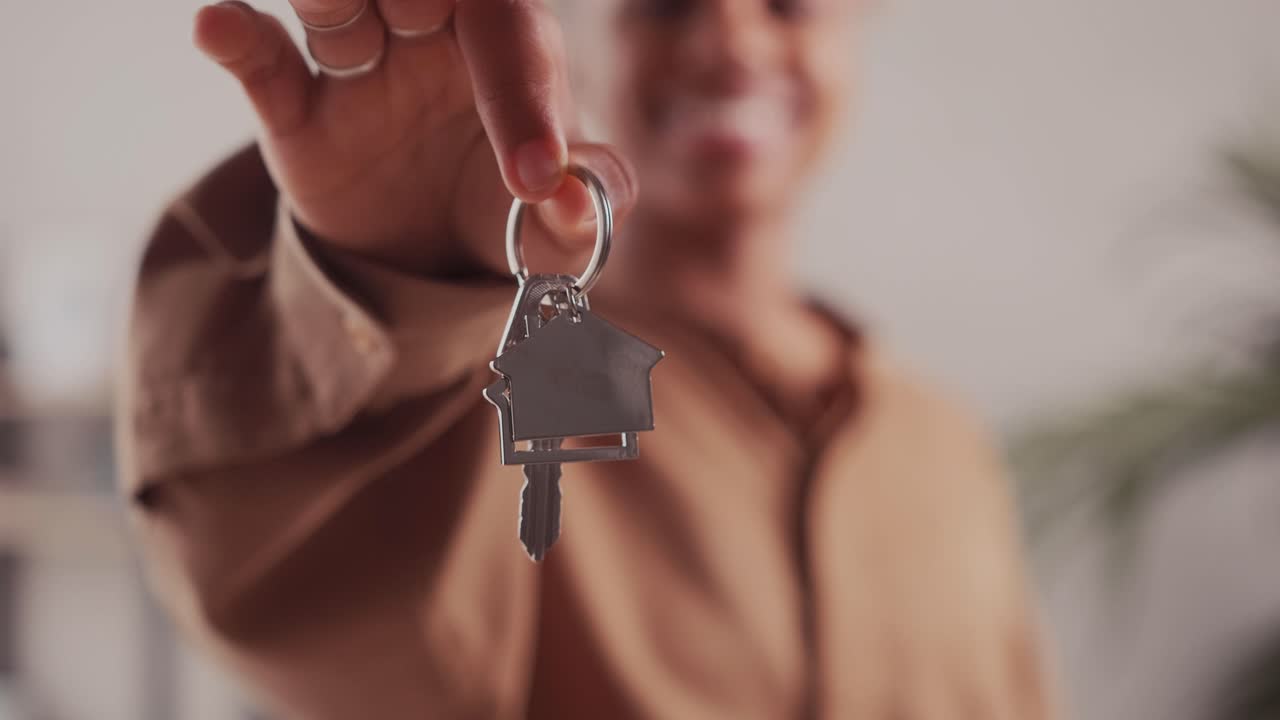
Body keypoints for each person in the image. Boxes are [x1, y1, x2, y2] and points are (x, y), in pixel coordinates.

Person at [120, 0, 1057, 717]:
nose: (731, 39)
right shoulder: (493, 396)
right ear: (582, 42)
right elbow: (305, 605)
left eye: (786, 2)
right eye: (666, 1)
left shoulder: (941, 440)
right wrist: (392, 278)